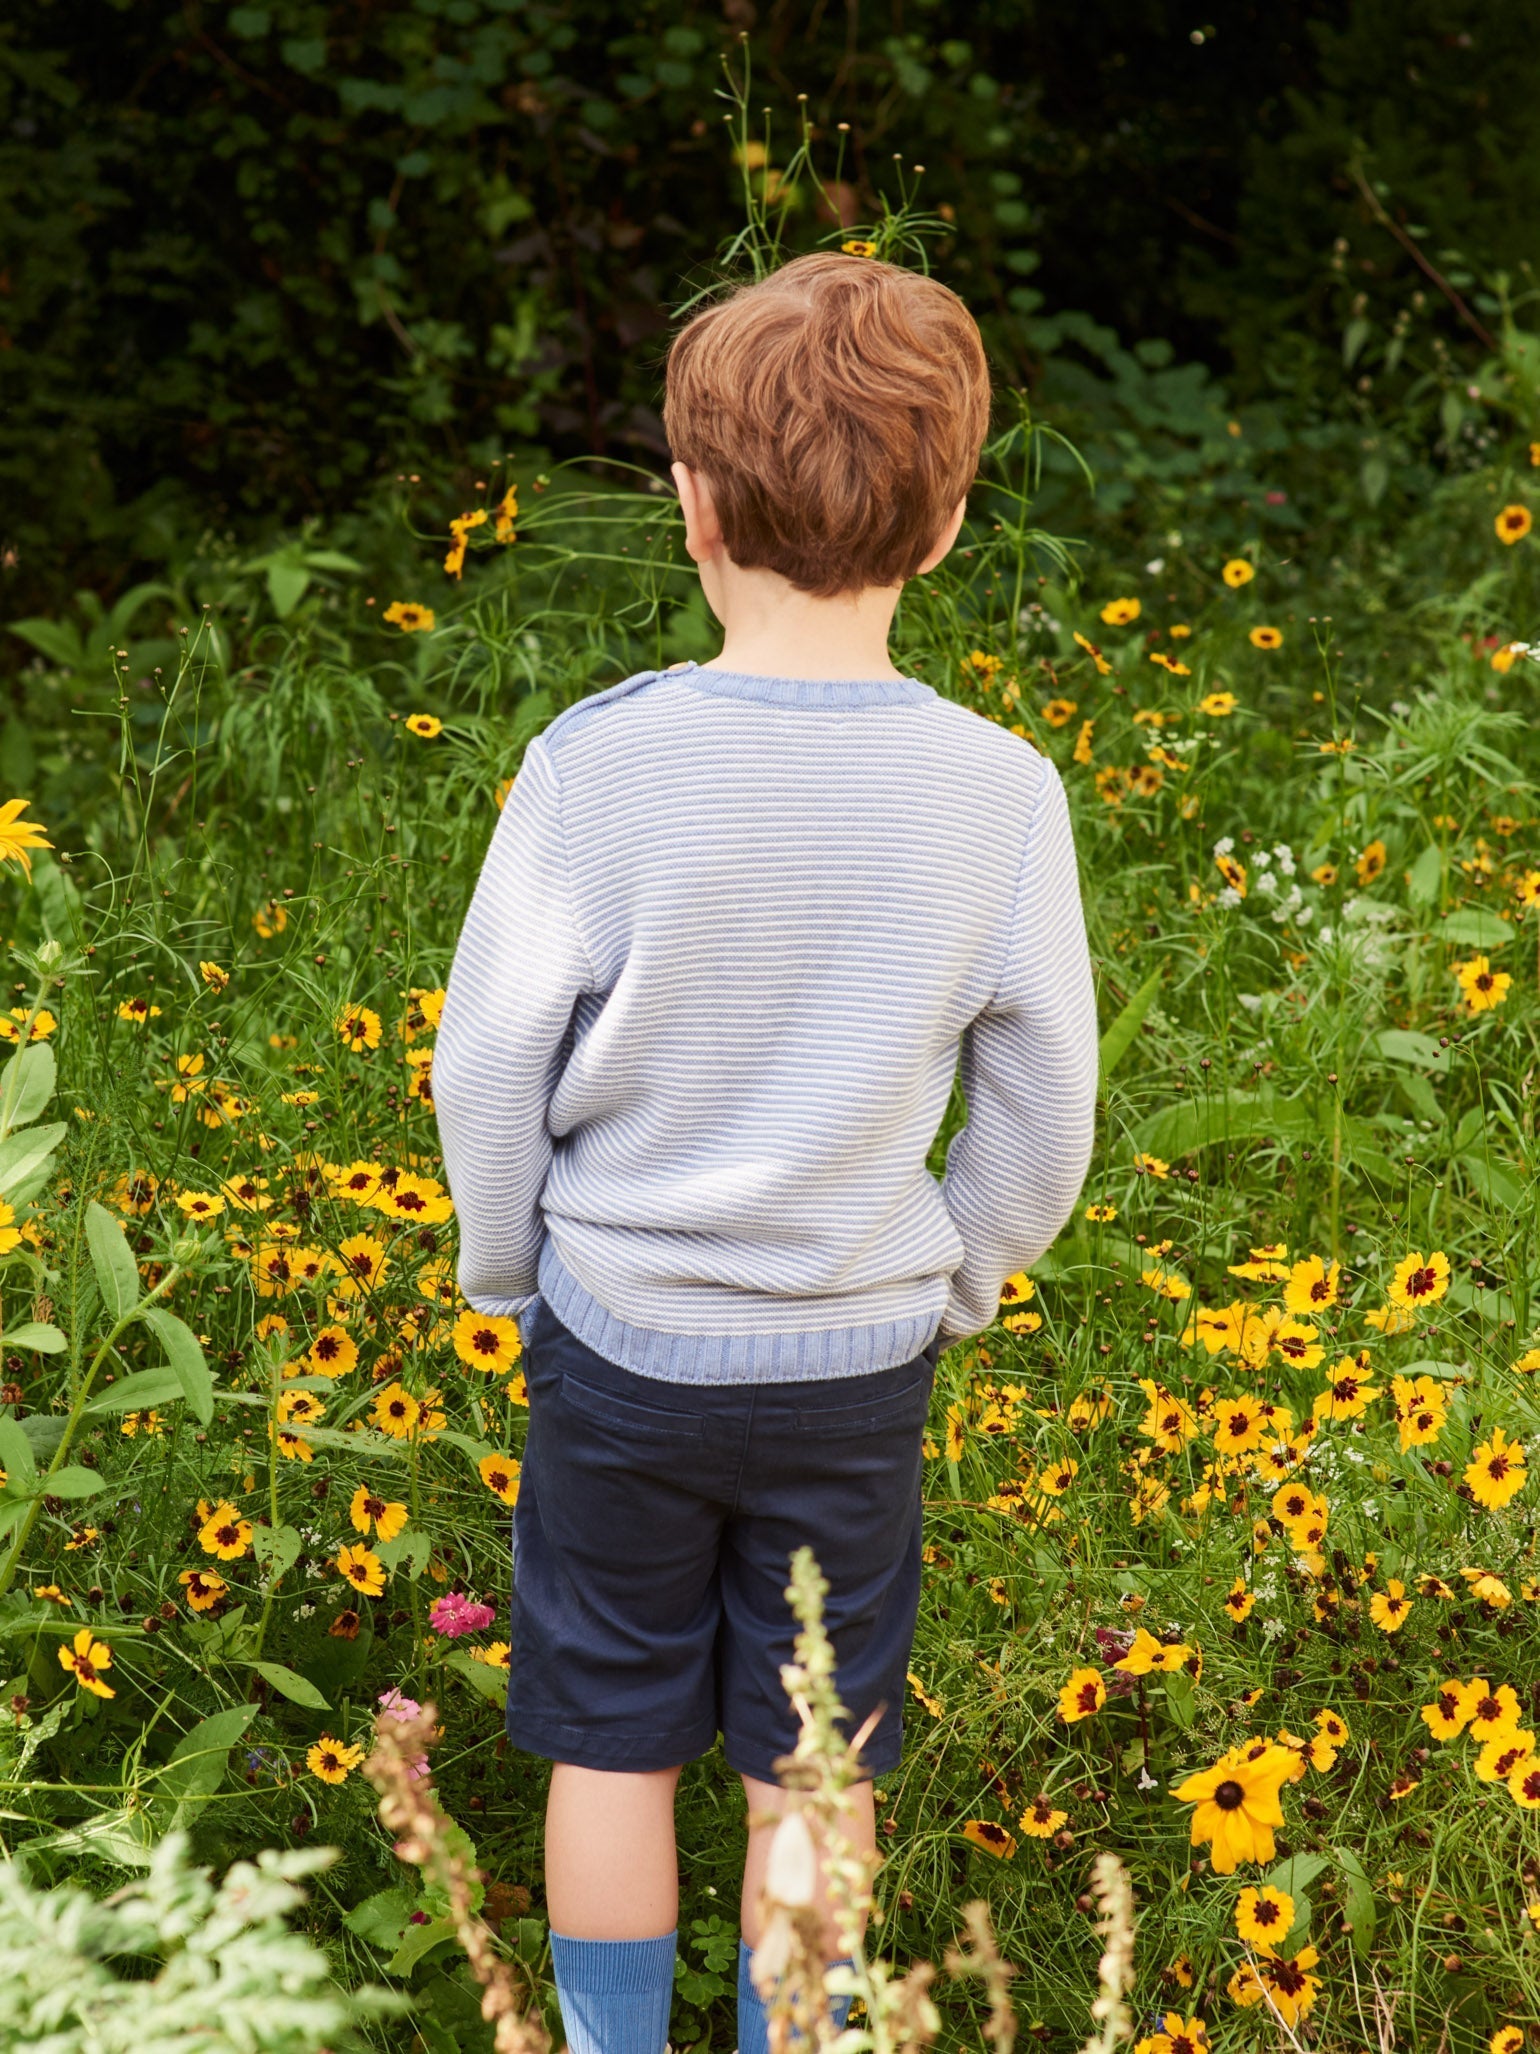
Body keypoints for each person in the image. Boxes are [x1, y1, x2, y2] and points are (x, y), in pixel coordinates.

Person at [432, 250, 1098, 2054]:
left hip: (625, 1345)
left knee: (610, 1737)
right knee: (815, 1765)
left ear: (693, 508)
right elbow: (1046, 1104)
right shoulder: (998, 790)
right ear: (949, 519)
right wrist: (960, 1267)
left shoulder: (601, 767)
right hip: (854, 1361)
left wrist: (511, 1264)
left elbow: (489, 1061)